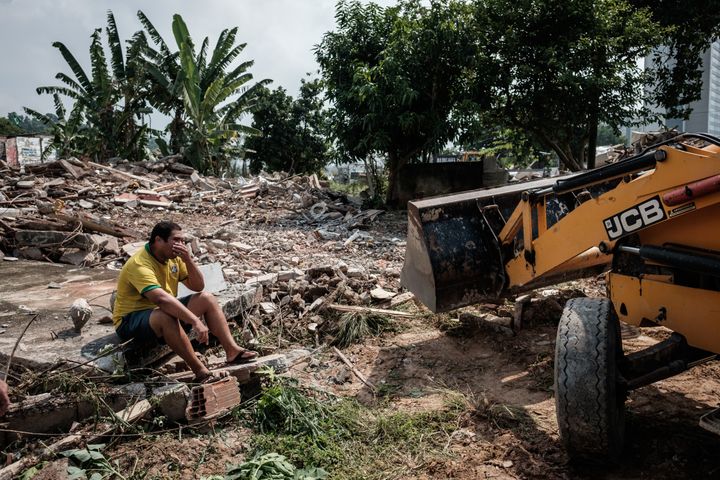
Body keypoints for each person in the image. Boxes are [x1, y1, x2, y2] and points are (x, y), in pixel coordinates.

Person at [113, 221, 257, 383]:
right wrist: (194, 320)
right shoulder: (140, 264)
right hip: (130, 321)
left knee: (206, 298)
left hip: (160, 312)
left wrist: (188, 260)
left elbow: (197, 286)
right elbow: (160, 299)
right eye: (176, 240)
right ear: (159, 240)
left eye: (183, 241)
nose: (181, 245)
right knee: (165, 315)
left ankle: (232, 351)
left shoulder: (174, 258)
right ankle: (201, 372)